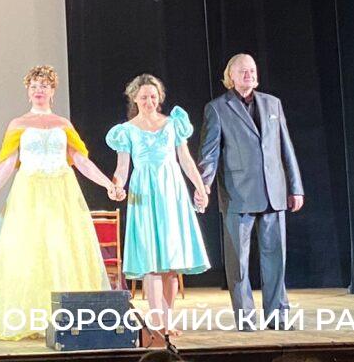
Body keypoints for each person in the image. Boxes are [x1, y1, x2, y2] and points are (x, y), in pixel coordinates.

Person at [0, 65, 124, 341]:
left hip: (62, 191)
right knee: (29, 252)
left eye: (44, 85)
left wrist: (108, 184)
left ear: (53, 91)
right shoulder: (18, 124)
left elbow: (80, 161)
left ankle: (68, 317)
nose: (39, 90)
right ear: (28, 91)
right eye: (34, 86)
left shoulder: (63, 124)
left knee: (63, 250)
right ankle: (31, 317)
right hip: (29, 192)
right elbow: (8, 163)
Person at [197, 54, 304, 330]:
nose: (249, 75)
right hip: (238, 195)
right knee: (239, 264)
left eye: (252, 70)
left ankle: (277, 316)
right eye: (243, 71)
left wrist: (295, 187)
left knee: (275, 259)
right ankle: (245, 318)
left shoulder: (272, 103)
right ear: (230, 76)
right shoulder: (217, 108)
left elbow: (286, 147)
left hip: (274, 193)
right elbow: (209, 153)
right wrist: (203, 185)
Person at [106, 74, 209, 338]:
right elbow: (122, 167)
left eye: (153, 96)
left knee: (171, 263)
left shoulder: (173, 124)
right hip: (144, 193)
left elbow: (185, 159)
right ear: (134, 99)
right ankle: (155, 321)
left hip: (172, 193)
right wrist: (116, 186)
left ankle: (168, 319)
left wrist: (199, 187)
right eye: (143, 97)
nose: (149, 101)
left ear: (159, 98)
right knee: (150, 261)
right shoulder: (126, 130)